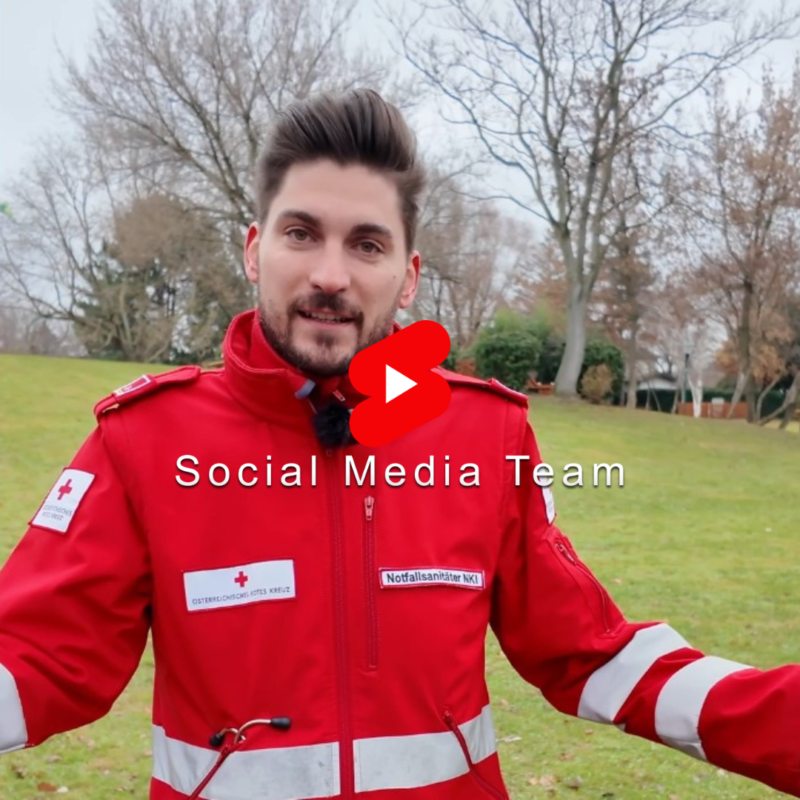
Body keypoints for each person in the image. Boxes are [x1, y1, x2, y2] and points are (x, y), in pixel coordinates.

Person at [0, 89, 798, 800]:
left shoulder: (486, 434)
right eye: (301, 234)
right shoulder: (145, 439)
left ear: (408, 276)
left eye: (367, 245)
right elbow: (39, 657)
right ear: (253, 250)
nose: (331, 275)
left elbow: (589, 655)